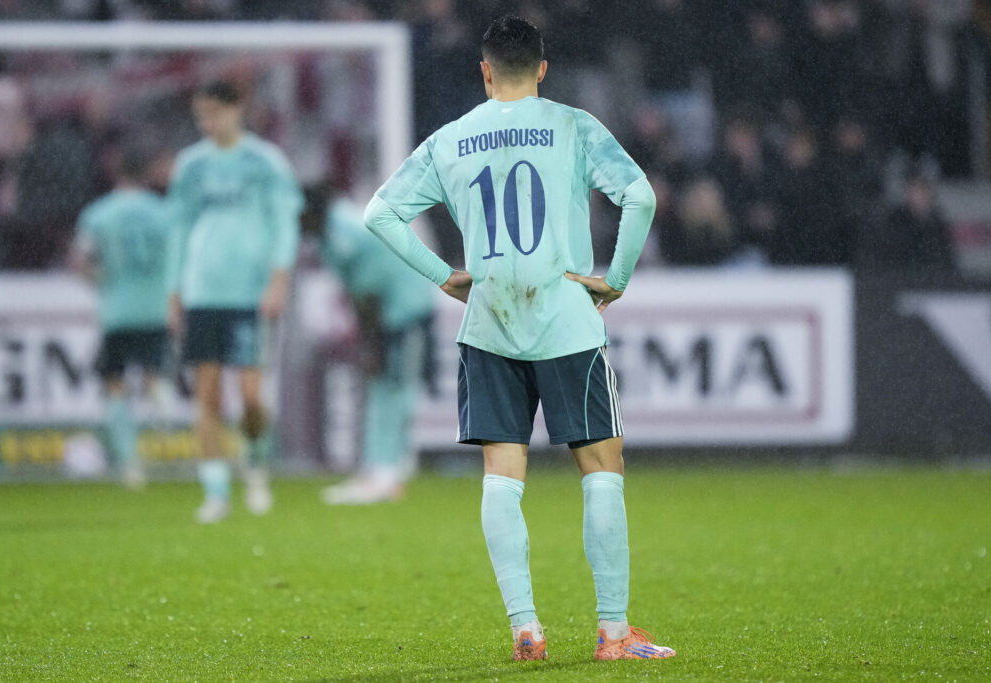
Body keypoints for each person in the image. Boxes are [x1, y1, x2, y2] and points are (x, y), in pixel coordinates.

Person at [363, 15, 675, 662]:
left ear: (483, 71)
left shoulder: (451, 138)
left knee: (502, 476)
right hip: (565, 312)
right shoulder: (573, 126)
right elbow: (640, 197)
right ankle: (614, 633)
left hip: (489, 320)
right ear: (541, 68)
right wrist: (614, 280)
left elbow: (379, 212)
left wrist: (443, 275)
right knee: (601, 469)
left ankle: (525, 629)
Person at [166, 81, 303, 524]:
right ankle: (215, 491)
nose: (206, 123)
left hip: (250, 292)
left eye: (213, 113)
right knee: (206, 394)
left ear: (236, 109)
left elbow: (285, 222)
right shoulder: (191, 165)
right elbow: (178, 228)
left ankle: (256, 465)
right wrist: (174, 290)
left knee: (249, 397)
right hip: (203, 290)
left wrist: (279, 279)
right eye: (199, 116)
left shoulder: (265, 162)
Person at [319, 191, 435, 504]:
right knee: (384, 388)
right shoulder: (335, 228)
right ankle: (380, 469)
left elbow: (368, 289)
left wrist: (370, 344)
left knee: (395, 388)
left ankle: (389, 470)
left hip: (402, 314)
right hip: (391, 314)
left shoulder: (347, 234)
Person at [70, 146, 171, 488]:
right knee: (154, 373)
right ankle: (161, 402)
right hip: (156, 309)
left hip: (117, 311)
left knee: (114, 386)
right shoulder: (163, 212)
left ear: (117, 171)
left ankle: (130, 466)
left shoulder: (98, 214)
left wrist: (100, 281)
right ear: (146, 172)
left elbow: (81, 261)